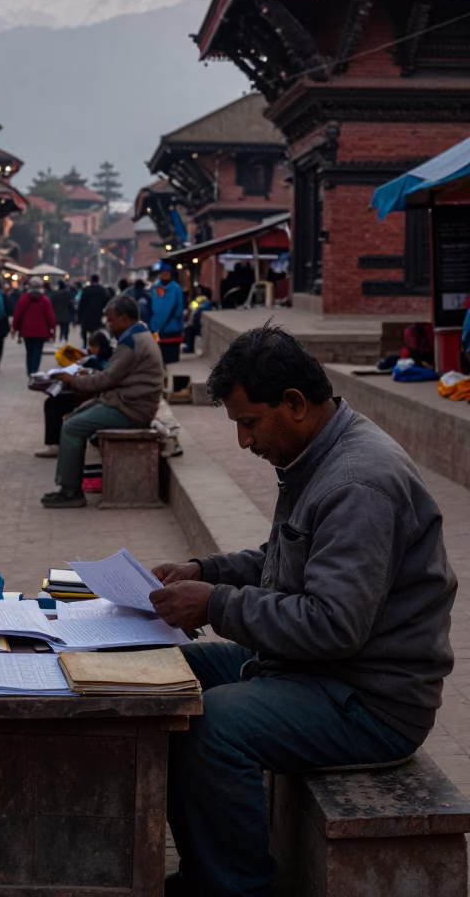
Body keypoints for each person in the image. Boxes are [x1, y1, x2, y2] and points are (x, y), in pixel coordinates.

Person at [149, 324, 457, 897]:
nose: (244, 441)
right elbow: (282, 558)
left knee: (212, 726)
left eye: (249, 423)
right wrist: (205, 572)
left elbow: (333, 624)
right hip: (317, 670)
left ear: (294, 404)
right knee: (168, 679)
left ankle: (238, 887)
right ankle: (204, 870)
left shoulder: (358, 480)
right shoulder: (319, 456)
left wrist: (215, 603)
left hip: (370, 699)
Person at [41, 294, 164, 508]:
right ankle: (67, 485)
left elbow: (107, 379)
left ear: (125, 319)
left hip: (131, 409)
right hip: (126, 402)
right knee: (72, 418)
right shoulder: (139, 335)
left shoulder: (131, 342)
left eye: (112, 320)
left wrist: (74, 381)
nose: (109, 325)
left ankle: (71, 491)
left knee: (72, 427)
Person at [35, 329, 114, 458]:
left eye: (93, 346)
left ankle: (57, 444)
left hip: (99, 398)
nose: (90, 349)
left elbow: (101, 381)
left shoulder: (108, 360)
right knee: (53, 401)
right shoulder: (92, 359)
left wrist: (77, 378)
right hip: (85, 393)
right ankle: (54, 443)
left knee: (55, 404)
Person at [13, 275, 56, 376]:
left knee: (29, 352)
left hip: (26, 331)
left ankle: (29, 371)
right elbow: (50, 317)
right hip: (41, 331)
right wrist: (52, 329)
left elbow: (17, 315)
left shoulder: (24, 299)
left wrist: (15, 328)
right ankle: (34, 370)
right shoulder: (45, 300)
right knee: (37, 352)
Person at [150, 261, 185, 366]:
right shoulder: (157, 288)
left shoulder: (176, 288)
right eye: (163, 272)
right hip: (157, 328)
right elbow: (157, 304)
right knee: (159, 358)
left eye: (167, 272)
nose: (165, 274)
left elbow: (179, 308)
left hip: (173, 327)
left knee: (172, 358)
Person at [77, 274, 109, 348]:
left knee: (84, 331)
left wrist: (79, 317)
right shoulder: (102, 290)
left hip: (86, 315)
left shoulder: (86, 290)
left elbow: (81, 304)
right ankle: (95, 346)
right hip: (98, 316)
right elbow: (107, 302)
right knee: (96, 333)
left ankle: (85, 345)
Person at [183, 285, 214, 354]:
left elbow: (191, 307)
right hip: (198, 322)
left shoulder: (201, 301)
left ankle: (189, 347)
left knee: (188, 329)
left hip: (197, 323)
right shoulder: (206, 301)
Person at [50, 279, 74, 343]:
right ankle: (65, 338)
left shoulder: (55, 294)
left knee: (61, 327)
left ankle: (61, 338)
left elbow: (52, 303)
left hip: (58, 313)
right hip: (66, 312)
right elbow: (70, 303)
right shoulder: (68, 293)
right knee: (66, 327)